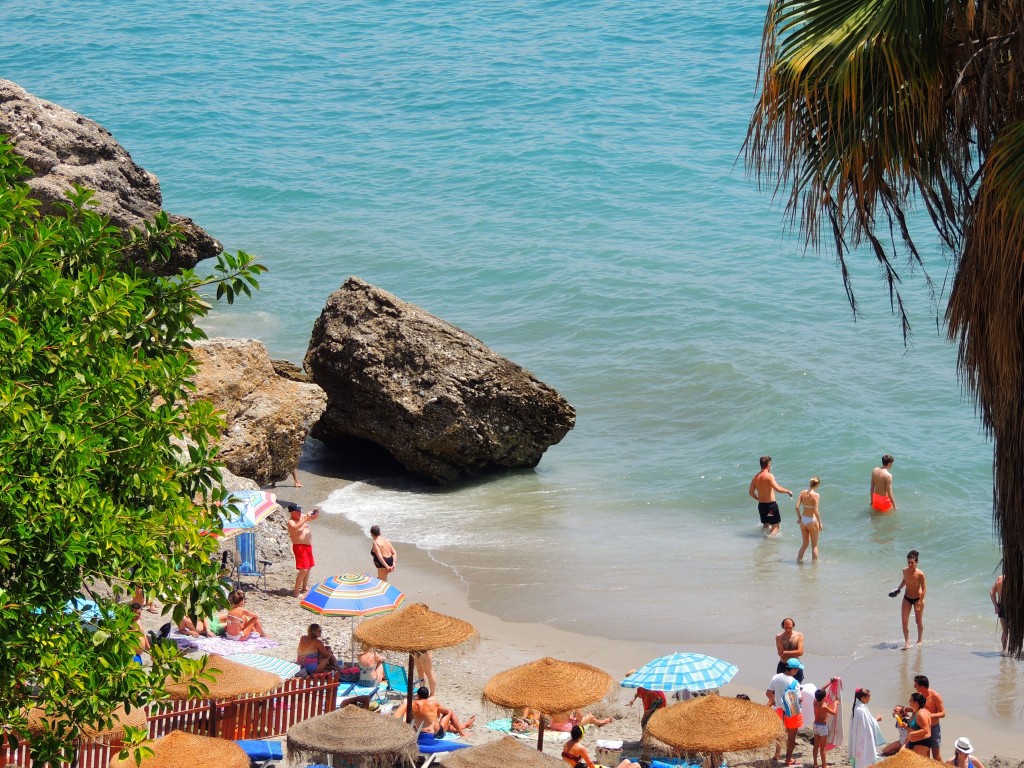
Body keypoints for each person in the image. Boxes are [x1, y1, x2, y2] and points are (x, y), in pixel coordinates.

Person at [393, 686, 474, 737]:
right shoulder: (433, 703)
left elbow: (396, 716)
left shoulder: (411, 704)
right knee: (450, 712)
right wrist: (437, 713)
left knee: (448, 726)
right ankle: (462, 733)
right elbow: (446, 712)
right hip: (435, 734)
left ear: (418, 695)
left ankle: (465, 725)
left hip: (420, 734)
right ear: (427, 696)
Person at [766, 658, 804, 765]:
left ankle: (777, 754)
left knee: (780, 733)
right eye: (797, 670)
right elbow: (799, 699)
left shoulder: (776, 677)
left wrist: (774, 702)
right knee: (791, 737)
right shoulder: (795, 682)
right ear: (793, 670)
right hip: (792, 712)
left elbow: (768, 693)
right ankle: (788, 759)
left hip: (779, 710)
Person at [889, 550, 926, 648]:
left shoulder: (920, 574)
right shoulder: (904, 571)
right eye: (908, 562)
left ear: (916, 562)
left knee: (918, 621)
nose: (910, 564)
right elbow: (905, 580)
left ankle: (919, 640)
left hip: (918, 599)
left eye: (912, 563)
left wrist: (920, 601)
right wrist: (898, 589)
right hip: (907, 597)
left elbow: (924, 589)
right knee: (904, 620)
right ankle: (907, 642)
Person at [749, 455, 793, 536]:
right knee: (775, 527)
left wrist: (758, 498)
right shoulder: (769, 476)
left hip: (761, 506)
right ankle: (768, 542)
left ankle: (762, 540)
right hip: (771, 507)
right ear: (768, 465)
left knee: (766, 525)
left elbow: (751, 492)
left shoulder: (755, 477)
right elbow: (777, 489)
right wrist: (787, 491)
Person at [561, 724, 640, 768]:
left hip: (578, 767)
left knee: (627, 762)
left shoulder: (566, 744)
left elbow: (567, 760)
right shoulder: (581, 748)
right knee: (634, 765)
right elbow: (591, 764)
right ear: (581, 736)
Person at [287, 503, 320, 598]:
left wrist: (315, 513)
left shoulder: (302, 516)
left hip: (307, 546)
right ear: (292, 512)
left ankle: (304, 587)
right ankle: (296, 592)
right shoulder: (291, 522)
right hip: (299, 547)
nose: (300, 512)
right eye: (297, 511)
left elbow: (313, 518)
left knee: (309, 567)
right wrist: (305, 519)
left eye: (300, 511)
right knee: (303, 569)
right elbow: (295, 527)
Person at [849, 688, 887, 768]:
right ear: (863, 698)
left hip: (859, 735)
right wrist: (876, 720)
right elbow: (866, 725)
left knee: (861, 753)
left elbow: (866, 722)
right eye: (868, 697)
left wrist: (875, 720)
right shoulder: (861, 710)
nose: (870, 699)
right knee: (864, 752)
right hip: (862, 737)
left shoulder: (858, 707)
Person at [914, 674, 945, 761]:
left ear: (922, 687)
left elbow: (943, 713)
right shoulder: (918, 695)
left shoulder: (935, 696)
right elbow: (917, 709)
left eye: (916, 685)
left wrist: (930, 715)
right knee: (925, 755)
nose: (914, 687)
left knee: (936, 756)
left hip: (933, 728)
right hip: (922, 728)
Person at [796, 478, 823, 562]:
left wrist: (799, 518)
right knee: (814, 545)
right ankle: (814, 568)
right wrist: (820, 522)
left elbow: (796, 507)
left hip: (803, 520)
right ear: (817, 485)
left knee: (805, 543)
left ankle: (798, 560)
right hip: (812, 520)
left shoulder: (802, 493)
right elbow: (816, 510)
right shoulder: (816, 495)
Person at [813, 688, 838, 768]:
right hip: (822, 727)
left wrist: (829, 683)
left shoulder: (815, 702)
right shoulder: (824, 706)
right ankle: (824, 765)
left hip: (815, 725)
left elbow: (821, 689)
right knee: (823, 748)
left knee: (816, 746)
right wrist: (836, 704)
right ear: (824, 698)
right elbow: (834, 713)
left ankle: (815, 763)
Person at [903, 692, 934, 756]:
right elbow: (916, 726)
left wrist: (910, 734)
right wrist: (906, 726)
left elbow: (926, 730)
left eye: (910, 700)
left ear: (916, 703)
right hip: (913, 741)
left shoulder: (921, 714)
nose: (909, 701)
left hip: (921, 742)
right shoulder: (915, 711)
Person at [776, 617, 805, 683]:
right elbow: (781, 654)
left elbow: (800, 652)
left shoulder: (799, 635)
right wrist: (795, 652)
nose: (788, 630)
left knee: (797, 686)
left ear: (793, 626)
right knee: (780, 686)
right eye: (786, 627)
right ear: (783, 626)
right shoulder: (779, 637)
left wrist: (785, 652)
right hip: (783, 665)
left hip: (796, 665)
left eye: (790, 627)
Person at [547, 709, 612, 731]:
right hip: (566, 727)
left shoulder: (553, 701)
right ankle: (600, 722)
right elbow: (580, 719)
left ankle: (593, 721)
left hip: (554, 725)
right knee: (590, 717)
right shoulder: (569, 703)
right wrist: (577, 710)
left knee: (573, 717)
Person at [991, 572, 1007, 654]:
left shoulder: (999, 578)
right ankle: (1013, 649)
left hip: (1002, 606)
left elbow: (992, 592)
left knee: (1005, 630)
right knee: (1013, 629)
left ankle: (1004, 650)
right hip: (1014, 607)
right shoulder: (1017, 578)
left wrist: (996, 606)